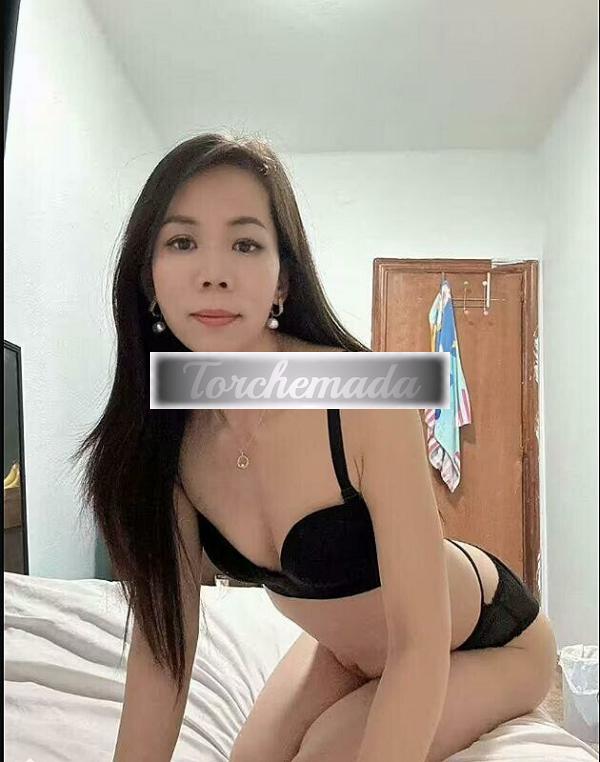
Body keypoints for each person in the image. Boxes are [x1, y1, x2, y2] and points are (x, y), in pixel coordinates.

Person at [73, 132, 557, 762]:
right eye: (182, 242)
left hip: (484, 639)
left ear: (282, 281)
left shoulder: (364, 396)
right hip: (343, 653)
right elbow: (164, 647)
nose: (213, 273)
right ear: (149, 277)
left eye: (245, 244)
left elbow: (418, 645)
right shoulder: (164, 443)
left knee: (326, 752)